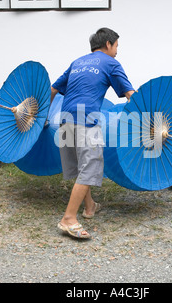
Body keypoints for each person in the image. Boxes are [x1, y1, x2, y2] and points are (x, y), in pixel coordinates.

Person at [50, 27, 135, 239]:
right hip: (86, 121)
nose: (117, 51)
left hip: (65, 119)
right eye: (116, 46)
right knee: (90, 168)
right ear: (108, 44)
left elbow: (53, 90)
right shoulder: (111, 63)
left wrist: (41, 116)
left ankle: (89, 208)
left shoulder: (77, 62)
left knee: (81, 168)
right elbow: (130, 95)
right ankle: (68, 218)